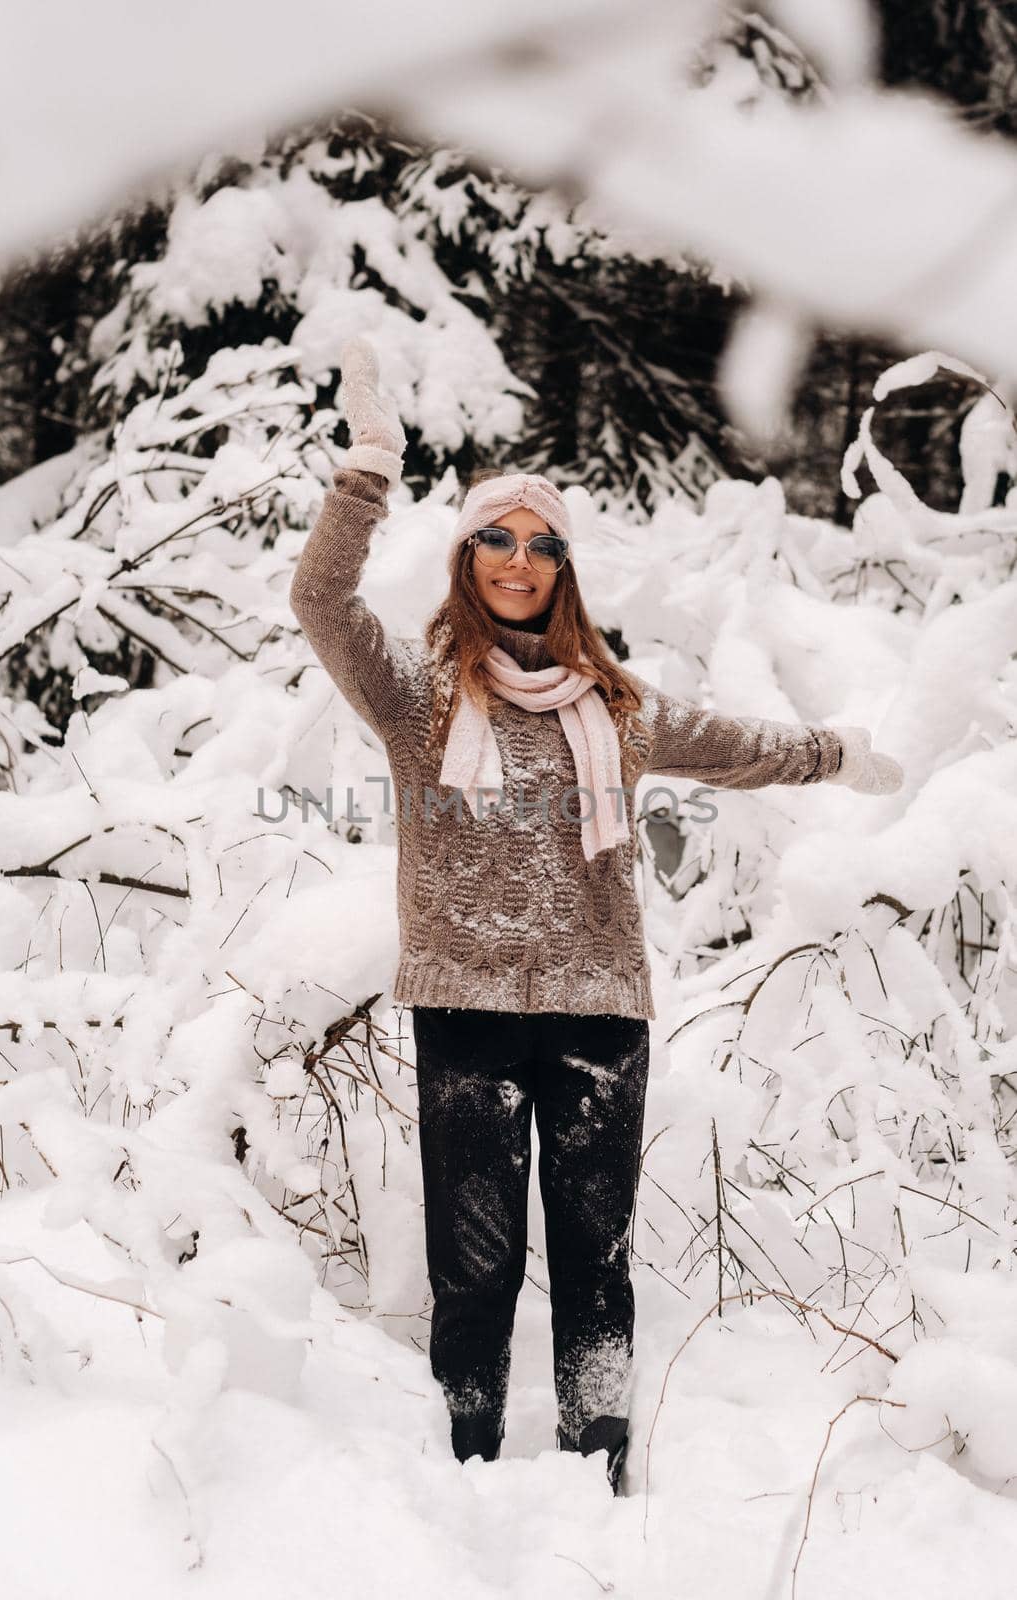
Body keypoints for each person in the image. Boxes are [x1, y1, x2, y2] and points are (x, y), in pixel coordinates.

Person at [289, 335, 904, 1494]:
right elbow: (318, 595)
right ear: (465, 556)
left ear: (562, 567)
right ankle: (465, 1470)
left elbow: (732, 745)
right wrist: (367, 467)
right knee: (472, 1267)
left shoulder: (612, 708)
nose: (518, 559)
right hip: (463, 1010)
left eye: (541, 543)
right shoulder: (416, 694)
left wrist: (832, 752)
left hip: (599, 1013)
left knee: (594, 1263)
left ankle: (596, 1465)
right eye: (496, 538)